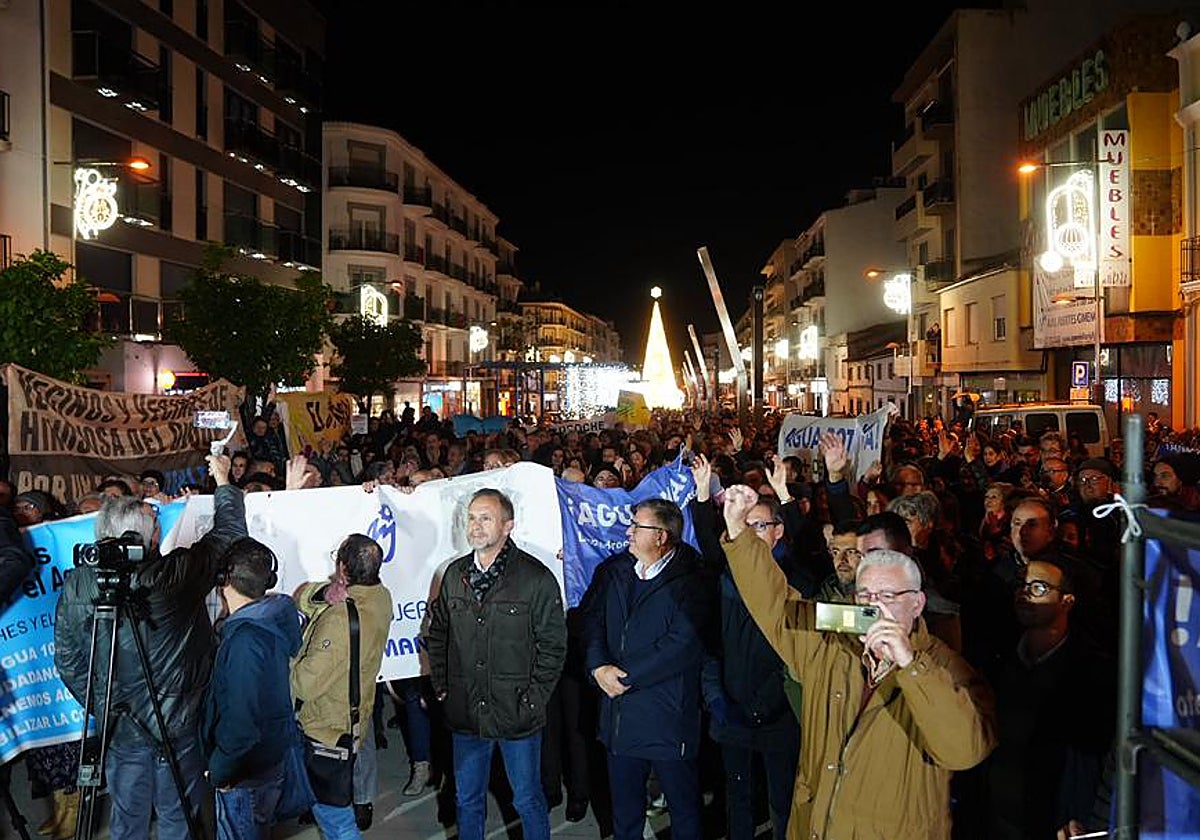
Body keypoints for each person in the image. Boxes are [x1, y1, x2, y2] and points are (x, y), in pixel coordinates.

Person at [720, 483, 996, 840]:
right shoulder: (833, 643)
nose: (875, 606)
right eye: (866, 594)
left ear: (917, 603)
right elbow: (777, 607)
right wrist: (739, 532)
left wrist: (911, 666)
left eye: (888, 595)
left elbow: (965, 751)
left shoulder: (946, 668)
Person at [54, 454, 247, 840]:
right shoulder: (171, 576)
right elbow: (228, 535)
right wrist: (223, 480)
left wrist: (105, 705)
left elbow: (68, 661)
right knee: (178, 819)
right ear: (140, 536)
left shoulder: (77, 583)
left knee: (129, 824)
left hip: (123, 729)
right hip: (174, 726)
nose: (161, 529)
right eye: (156, 523)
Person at [425, 489, 567, 840]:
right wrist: (443, 687)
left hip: (516, 712)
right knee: (467, 799)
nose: (475, 525)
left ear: (508, 526)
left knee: (528, 799)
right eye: (472, 517)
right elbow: (438, 633)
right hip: (466, 713)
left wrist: (532, 699)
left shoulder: (535, 578)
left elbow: (553, 646)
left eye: (485, 518)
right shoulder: (454, 575)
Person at [583, 498, 712, 840]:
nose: (628, 531)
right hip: (619, 719)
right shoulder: (614, 572)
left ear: (661, 536)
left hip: (667, 721)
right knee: (625, 815)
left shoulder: (692, 580)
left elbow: (681, 645)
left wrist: (622, 676)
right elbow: (592, 622)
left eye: (637, 526)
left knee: (684, 812)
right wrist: (597, 667)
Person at [292, 534, 393, 839]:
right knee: (335, 813)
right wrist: (326, 591)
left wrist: (281, 662)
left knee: (336, 820)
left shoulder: (340, 618)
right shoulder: (381, 597)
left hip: (326, 728)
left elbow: (304, 685)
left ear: (341, 567)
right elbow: (303, 597)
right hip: (352, 717)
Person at [201, 538, 302, 840]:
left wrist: (221, 771)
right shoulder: (273, 616)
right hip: (266, 763)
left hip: (245, 775)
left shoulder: (245, 641)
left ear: (225, 579)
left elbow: (241, 725)